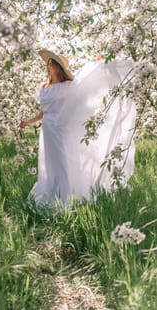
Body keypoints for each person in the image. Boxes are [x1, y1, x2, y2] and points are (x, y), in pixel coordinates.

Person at [20, 49, 136, 206]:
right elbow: (44, 112)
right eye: (48, 63)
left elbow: (86, 85)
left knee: (62, 162)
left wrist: (98, 64)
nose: (49, 66)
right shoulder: (44, 88)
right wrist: (29, 121)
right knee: (50, 163)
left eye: (52, 63)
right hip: (47, 131)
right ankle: (52, 191)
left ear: (59, 68)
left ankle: (66, 197)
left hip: (61, 129)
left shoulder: (68, 86)